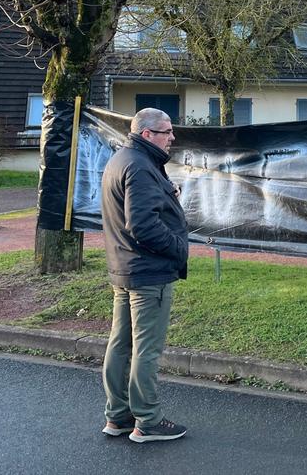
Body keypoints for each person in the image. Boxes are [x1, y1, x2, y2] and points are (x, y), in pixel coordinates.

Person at [100, 107, 191, 442]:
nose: (172, 137)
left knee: (120, 344)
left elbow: (137, 210)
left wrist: (169, 195)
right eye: (167, 131)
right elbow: (142, 226)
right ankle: (148, 420)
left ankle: (118, 416)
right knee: (145, 349)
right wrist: (180, 248)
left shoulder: (123, 160)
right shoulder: (140, 167)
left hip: (125, 268)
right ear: (148, 134)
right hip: (148, 273)